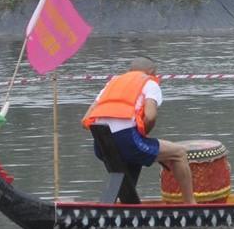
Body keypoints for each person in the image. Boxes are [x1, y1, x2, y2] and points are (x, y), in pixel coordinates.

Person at [83, 57, 195, 203]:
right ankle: (191, 205)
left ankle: (123, 204)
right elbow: (150, 116)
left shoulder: (111, 84)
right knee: (179, 153)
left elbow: (85, 119)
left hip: (100, 145)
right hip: (127, 141)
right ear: (151, 72)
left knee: (132, 159)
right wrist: (142, 135)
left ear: (129, 70)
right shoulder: (149, 83)